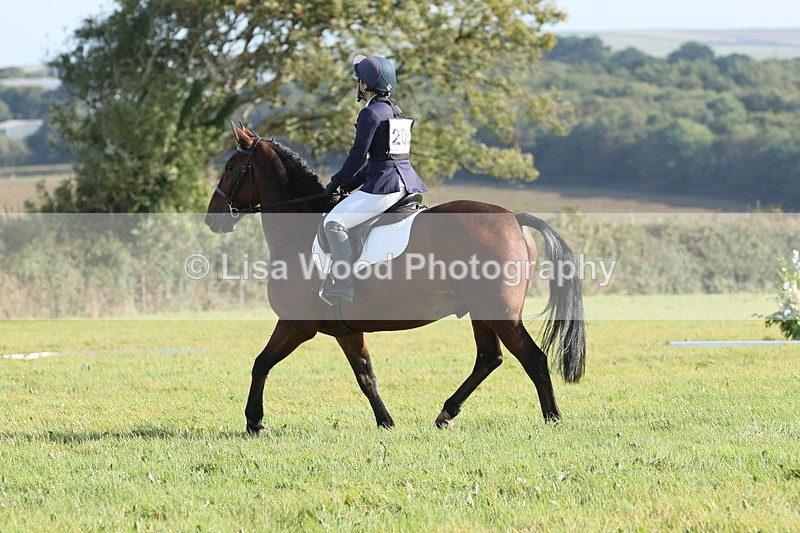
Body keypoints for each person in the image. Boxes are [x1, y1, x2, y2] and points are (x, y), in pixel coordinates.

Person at [320, 54, 428, 304]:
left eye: (359, 80)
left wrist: (337, 181)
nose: (357, 84)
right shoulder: (395, 112)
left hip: (384, 187)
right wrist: (350, 183)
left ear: (365, 85)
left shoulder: (370, 114)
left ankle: (344, 285)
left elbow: (358, 157)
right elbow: (381, 159)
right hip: (405, 183)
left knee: (334, 222)